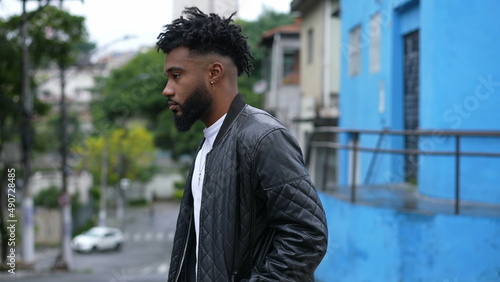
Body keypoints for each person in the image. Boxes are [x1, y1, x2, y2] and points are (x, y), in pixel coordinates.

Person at [156, 7, 328, 281]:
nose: (167, 89)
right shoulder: (208, 145)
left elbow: (307, 236)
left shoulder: (263, 137)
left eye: (176, 76)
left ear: (214, 72)